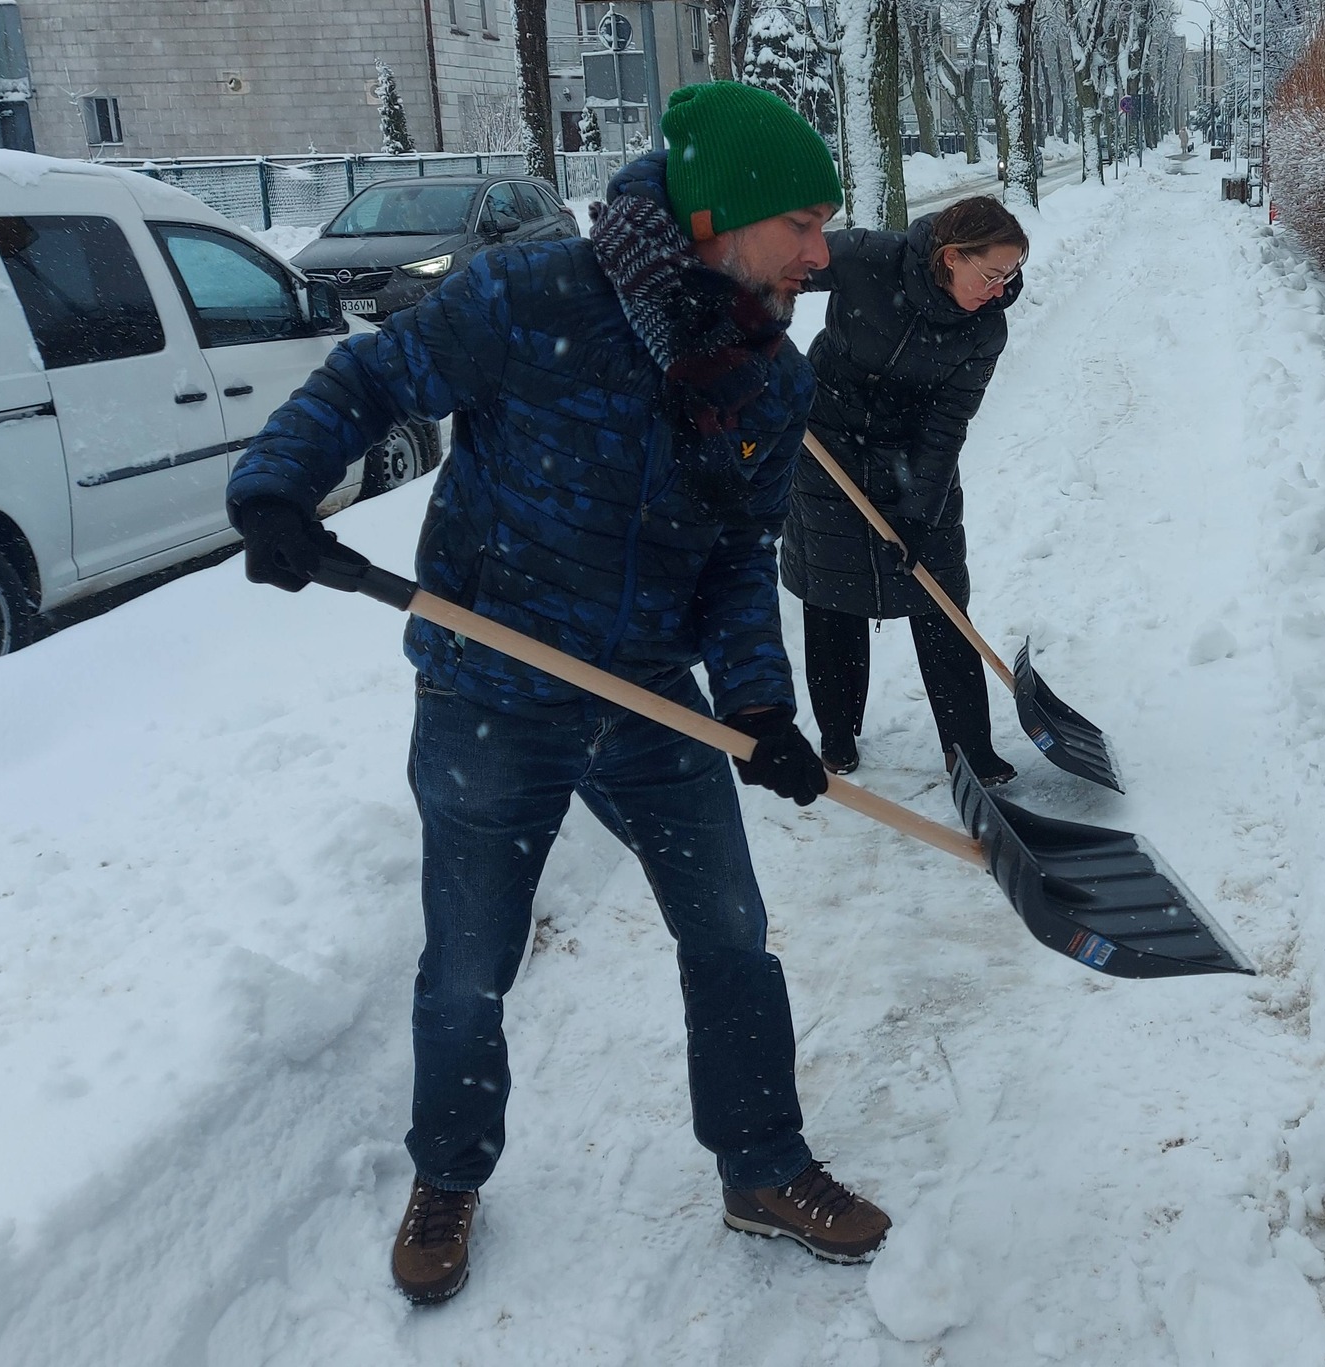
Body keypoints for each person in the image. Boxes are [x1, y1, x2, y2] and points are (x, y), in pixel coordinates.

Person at [224, 82, 891, 1307]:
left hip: (649, 694)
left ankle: (759, 1161)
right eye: (800, 221)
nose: (820, 250)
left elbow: (740, 553)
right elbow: (369, 382)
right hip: (492, 680)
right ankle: (449, 1171)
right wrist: (276, 488)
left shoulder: (767, 375)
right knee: (471, 959)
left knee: (729, 928)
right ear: (716, 218)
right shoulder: (527, 300)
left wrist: (757, 705)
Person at [779, 196, 1029, 786]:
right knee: (833, 592)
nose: (1001, 288)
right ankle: (837, 739)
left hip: (913, 455)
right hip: (826, 438)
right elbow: (779, 272)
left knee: (938, 593)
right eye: (992, 273)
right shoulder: (869, 259)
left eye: (1011, 274)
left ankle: (969, 749)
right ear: (949, 257)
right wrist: (760, 340)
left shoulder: (984, 326)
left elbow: (947, 424)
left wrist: (919, 512)